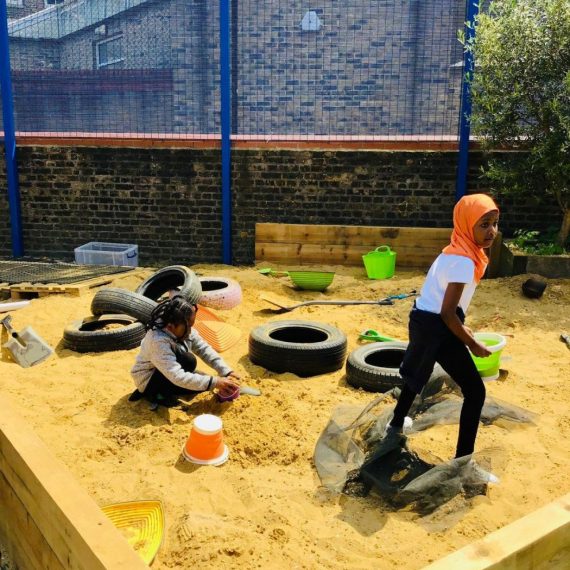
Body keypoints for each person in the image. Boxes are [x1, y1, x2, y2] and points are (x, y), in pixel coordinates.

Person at [387, 193, 500, 478]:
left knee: (416, 375)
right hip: (438, 327)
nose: (491, 231)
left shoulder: (453, 250)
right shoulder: (463, 262)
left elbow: (443, 303)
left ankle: (396, 423)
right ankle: (463, 463)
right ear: (466, 224)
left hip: (422, 318)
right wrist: (472, 343)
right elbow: (448, 313)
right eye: (484, 224)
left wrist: (462, 325)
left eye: (495, 223)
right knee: (475, 391)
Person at [130, 296, 241, 407]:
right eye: (188, 327)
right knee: (200, 376)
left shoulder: (181, 325)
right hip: (149, 380)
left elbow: (203, 348)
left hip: (166, 370)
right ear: (171, 327)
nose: (190, 331)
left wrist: (226, 371)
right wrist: (215, 382)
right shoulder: (157, 341)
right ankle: (157, 395)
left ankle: (166, 390)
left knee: (191, 365)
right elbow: (176, 376)